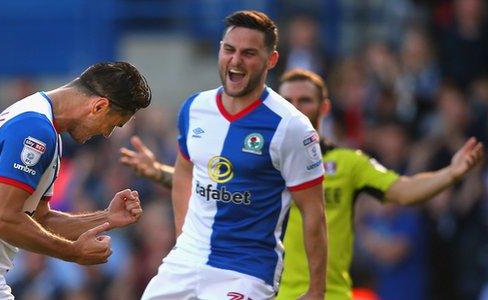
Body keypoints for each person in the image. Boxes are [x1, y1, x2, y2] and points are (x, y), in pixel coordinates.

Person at [120, 68, 485, 299]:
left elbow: (402, 190)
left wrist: (450, 174)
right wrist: (160, 173)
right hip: (267, 288)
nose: (296, 107)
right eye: (289, 100)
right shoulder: (264, 159)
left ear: (323, 108)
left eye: (305, 101)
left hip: (328, 294)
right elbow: (219, 192)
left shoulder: (348, 163)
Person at [0, 61, 152, 299]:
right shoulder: (35, 130)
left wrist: (106, 217)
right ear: (99, 106)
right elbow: (1, 219)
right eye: (113, 124)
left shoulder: (40, 119)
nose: (106, 133)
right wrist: (72, 253)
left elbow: (40, 219)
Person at [139, 11, 328, 299]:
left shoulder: (290, 126)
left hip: (246, 270)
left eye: (248, 53)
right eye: (229, 49)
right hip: (187, 260)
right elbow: (184, 171)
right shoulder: (195, 108)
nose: (236, 60)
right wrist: (183, 241)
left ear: (271, 60)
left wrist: (316, 290)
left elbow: (314, 211)